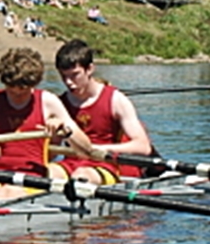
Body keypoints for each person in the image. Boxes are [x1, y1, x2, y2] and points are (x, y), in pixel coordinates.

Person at [0, 47, 96, 203]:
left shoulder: (48, 101)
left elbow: (86, 150)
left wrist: (64, 130)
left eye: (22, 92)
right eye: (11, 91)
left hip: (32, 176)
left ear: (34, 84)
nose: (17, 96)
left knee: (5, 194)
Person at [52, 39, 155, 185]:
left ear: (90, 69)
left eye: (74, 75)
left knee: (81, 176)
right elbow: (51, 152)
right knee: (48, 172)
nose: (68, 82)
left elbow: (143, 147)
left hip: (104, 164)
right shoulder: (58, 103)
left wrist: (97, 149)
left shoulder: (116, 100)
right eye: (64, 76)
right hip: (70, 163)